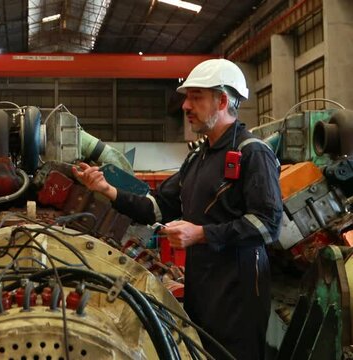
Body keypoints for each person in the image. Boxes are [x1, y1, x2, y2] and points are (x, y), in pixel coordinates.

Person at [73, 59, 282, 359]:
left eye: (196, 97)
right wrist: (108, 190)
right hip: (203, 289)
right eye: (187, 97)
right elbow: (158, 208)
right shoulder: (198, 158)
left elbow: (267, 224)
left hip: (239, 295)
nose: (185, 105)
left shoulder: (252, 154)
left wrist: (201, 234)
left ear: (222, 100)